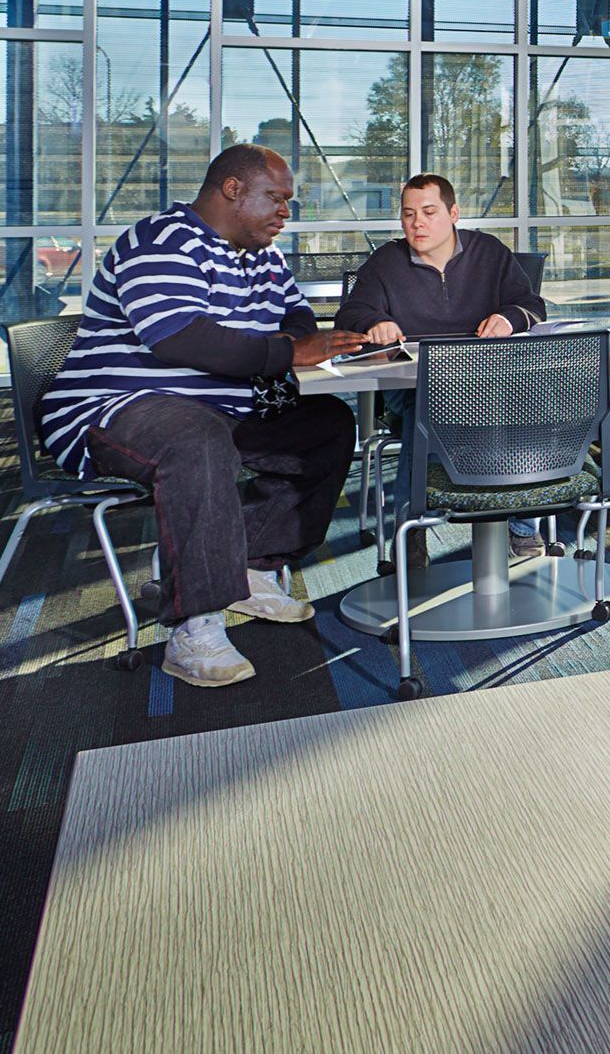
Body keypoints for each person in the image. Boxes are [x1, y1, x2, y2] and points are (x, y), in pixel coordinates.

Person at [38, 145, 367, 689]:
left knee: (326, 423)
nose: (286, 212)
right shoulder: (160, 242)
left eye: (289, 202)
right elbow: (180, 338)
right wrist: (286, 351)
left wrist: (291, 340)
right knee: (197, 438)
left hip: (216, 406)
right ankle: (195, 626)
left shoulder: (263, 253)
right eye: (277, 198)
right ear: (233, 190)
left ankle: (254, 566)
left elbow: (297, 316)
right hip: (112, 408)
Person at [334, 173, 553, 566]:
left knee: (529, 403)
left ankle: (522, 527)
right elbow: (349, 313)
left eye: (429, 212)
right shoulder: (386, 261)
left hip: (490, 382)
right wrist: (373, 322)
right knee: (426, 407)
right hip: (413, 386)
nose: (417, 223)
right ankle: (412, 533)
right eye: (408, 214)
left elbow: (532, 305)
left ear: (453, 213)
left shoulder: (489, 253)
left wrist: (508, 318)